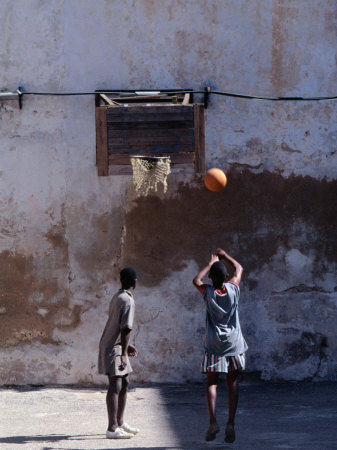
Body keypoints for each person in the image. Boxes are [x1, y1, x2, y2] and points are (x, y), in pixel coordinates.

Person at [192, 248, 248, 444]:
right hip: (234, 342)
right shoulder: (233, 288)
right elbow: (239, 268)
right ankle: (230, 423)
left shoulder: (207, 292)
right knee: (232, 382)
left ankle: (213, 421)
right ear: (225, 276)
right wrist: (225, 256)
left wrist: (210, 263)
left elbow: (196, 281)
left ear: (211, 278)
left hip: (213, 343)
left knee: (212, 382)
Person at [98, 267, 139, 439]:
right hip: (114, 348)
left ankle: (120, 422)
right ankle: (112, 428)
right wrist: (123, 353)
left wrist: (126, 347)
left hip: (114, 345)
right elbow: (126, 328)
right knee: (115, 385)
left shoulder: (118, 296)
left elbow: (119, 325)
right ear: (135, 282)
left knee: (125, 381)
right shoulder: (127, 300)